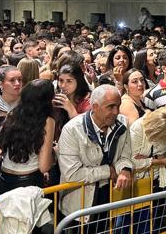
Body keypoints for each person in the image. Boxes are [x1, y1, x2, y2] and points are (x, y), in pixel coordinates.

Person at [58, 84, 133, 233]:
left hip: (110, 198)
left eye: (118, 106)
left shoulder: (122, 123)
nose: (116, 112)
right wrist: (108, 171)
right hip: (79, 206)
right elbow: (72, 174)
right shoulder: (72, 130)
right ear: (95, 107)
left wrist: (125, 169)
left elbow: (125, 154)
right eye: (110, 107)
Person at [0, 79, 56, 194]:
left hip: (4, 180)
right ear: (48, 100)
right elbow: (44, 166)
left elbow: (0, 144)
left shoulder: (12, 114)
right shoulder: (47, 121)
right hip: (29, 183)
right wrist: (55, 153)